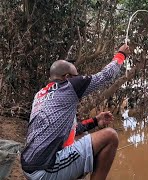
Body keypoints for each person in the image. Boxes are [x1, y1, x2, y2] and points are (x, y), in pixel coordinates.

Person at [21, 44, 130, 180]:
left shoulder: (40, 95)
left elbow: (71, 129)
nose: (78, 78)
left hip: (28, 166)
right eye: (75, 76)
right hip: (43, 170)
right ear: (66, 77)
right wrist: (121, 55)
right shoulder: (69, 86)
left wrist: (95, 121)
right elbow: (106, 76)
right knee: (110, 136)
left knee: (82, 136)